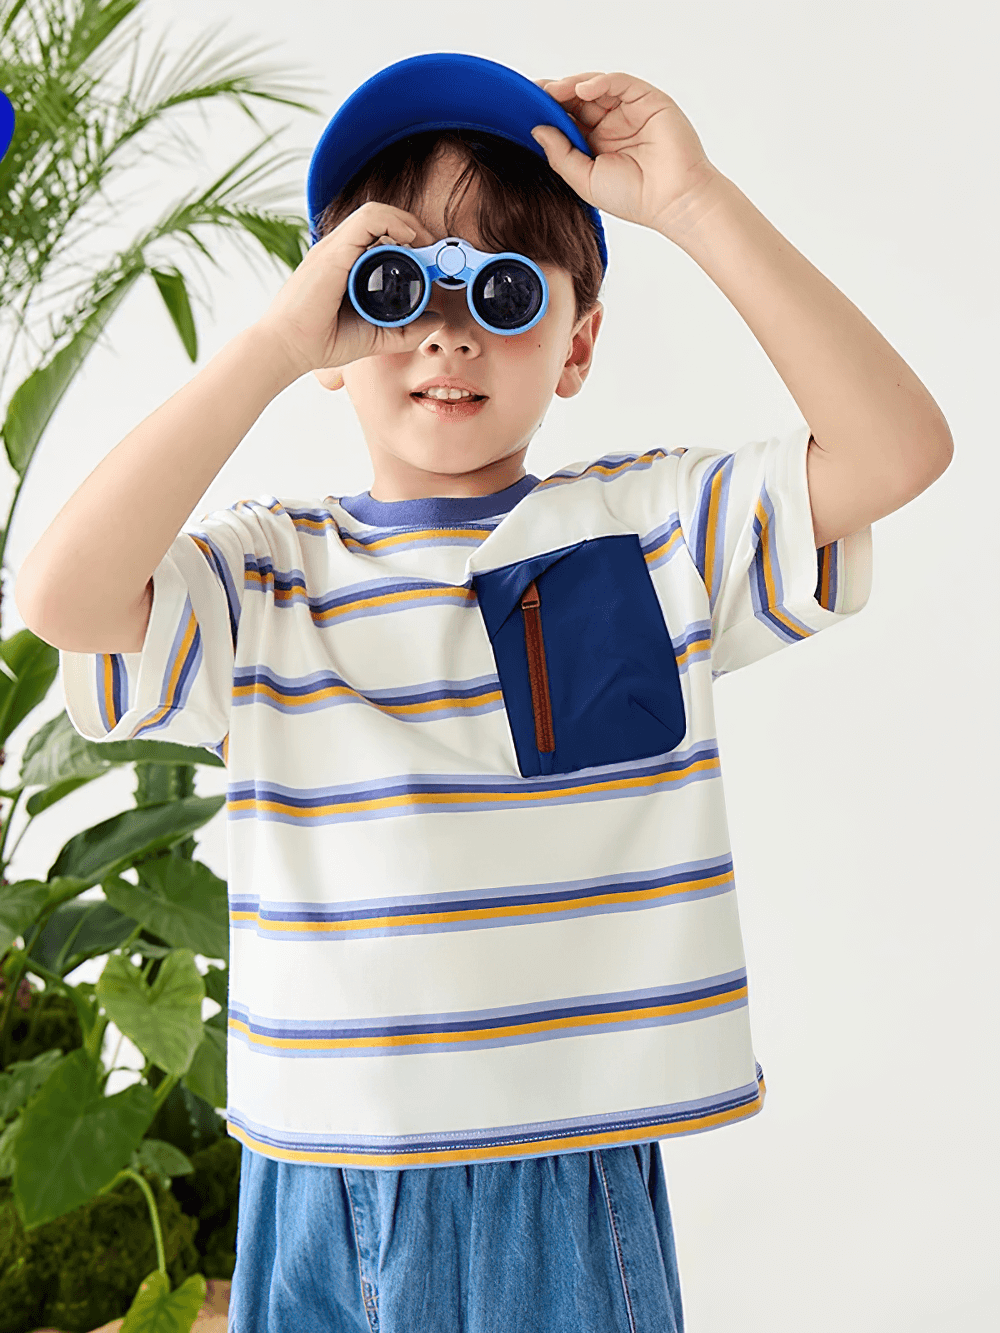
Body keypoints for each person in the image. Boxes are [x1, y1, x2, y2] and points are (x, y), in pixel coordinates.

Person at [16, 52, 952, 1333]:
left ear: (577, 343)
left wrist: (695, 205)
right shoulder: (269, 572)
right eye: (394, 287)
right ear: (337, 329)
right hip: (318, 1170)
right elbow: (64, 599)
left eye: (504, 290)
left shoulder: (645, 530)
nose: (449, 331)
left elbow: (898, 449)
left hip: (558, 1168)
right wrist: (277, 344)